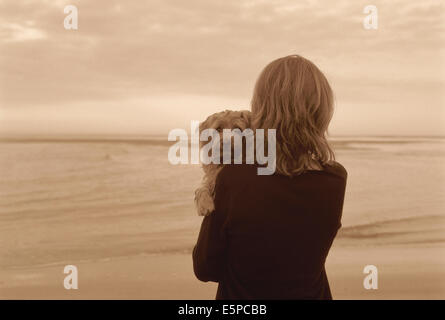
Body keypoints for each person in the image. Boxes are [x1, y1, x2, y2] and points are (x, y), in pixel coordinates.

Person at [193, 55, 347, 299]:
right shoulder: (336, 179)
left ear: (261, 110)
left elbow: (205, 267)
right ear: (323, 110)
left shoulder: (233, 178)